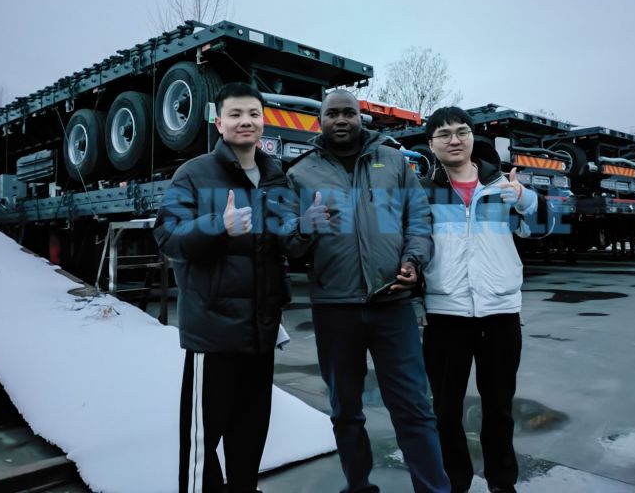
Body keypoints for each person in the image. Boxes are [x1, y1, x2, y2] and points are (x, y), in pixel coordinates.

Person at [281, 89, 450, 493]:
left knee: (413, 407)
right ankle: (358, 487)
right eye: (332, 114)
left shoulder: (393, 162)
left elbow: (419, 220)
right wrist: (304, 224)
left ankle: (434, 489)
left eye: (349, 113)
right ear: (319, 121)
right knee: (345, 411)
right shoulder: (300, 174)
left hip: (392, 305)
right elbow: (286, 242)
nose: (341, 120)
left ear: (361, 118)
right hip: (334, 309)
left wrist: (414, 262)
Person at [153, 82, 289, 493]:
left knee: (250, 434)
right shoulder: (194, 173)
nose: (245, 121)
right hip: (213, 333)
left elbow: (282, 243)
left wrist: (308, 225)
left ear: (263, 121)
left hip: (260, 334)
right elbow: (168, 237)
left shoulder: (273, 176)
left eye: (253, 114)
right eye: (235, 114)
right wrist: (219, 226)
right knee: (201, 441)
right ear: (219, 122)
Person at [420, 106, 546, 493]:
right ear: (431, 144)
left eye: (461, 132)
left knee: (499, 408)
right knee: (445, 410)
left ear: (473, 137)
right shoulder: (424, 192)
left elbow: (540, 230)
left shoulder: (501, 186)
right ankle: (454, 483)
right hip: (445, 315)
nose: (454, 140)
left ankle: (502, 483)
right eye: (444, 135)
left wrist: (524, 197)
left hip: (500, 314)